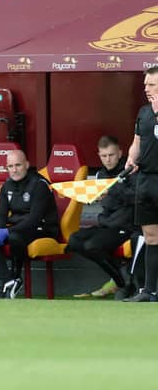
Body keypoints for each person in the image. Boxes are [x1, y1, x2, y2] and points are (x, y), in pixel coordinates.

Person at [0, 149, 59, 298]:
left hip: (43, 228)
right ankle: (9, 281)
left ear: (27, 165)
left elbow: (34, 219)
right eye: (10, 166)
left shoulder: (40, 184)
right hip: (18, 228)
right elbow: (1, 214)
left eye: (18, 165)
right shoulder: (6, 186)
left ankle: (16, 275)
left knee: (14, 237)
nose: (14, 170)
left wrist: (7, 232)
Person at [66, 136, 137, 300]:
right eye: (104, 156)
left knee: (92, 246)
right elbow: (97, 199)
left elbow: (136, 197)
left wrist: (111, 191)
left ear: (120, 153)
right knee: (74, 240)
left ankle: (123, 284)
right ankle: (121, 277)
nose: (108, 159)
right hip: (106, 223)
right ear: (99, 155)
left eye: (111, 155)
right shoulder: (100, 175)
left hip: (125, 225)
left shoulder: (131, 171)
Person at [123, 66, 158, 302]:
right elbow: (137, 141)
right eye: (145, 84)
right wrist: (130, 158)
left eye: (152, 84)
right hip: (146, 180)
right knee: (151, 236)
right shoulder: (143, 113)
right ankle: (149, 290)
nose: (146, 89)